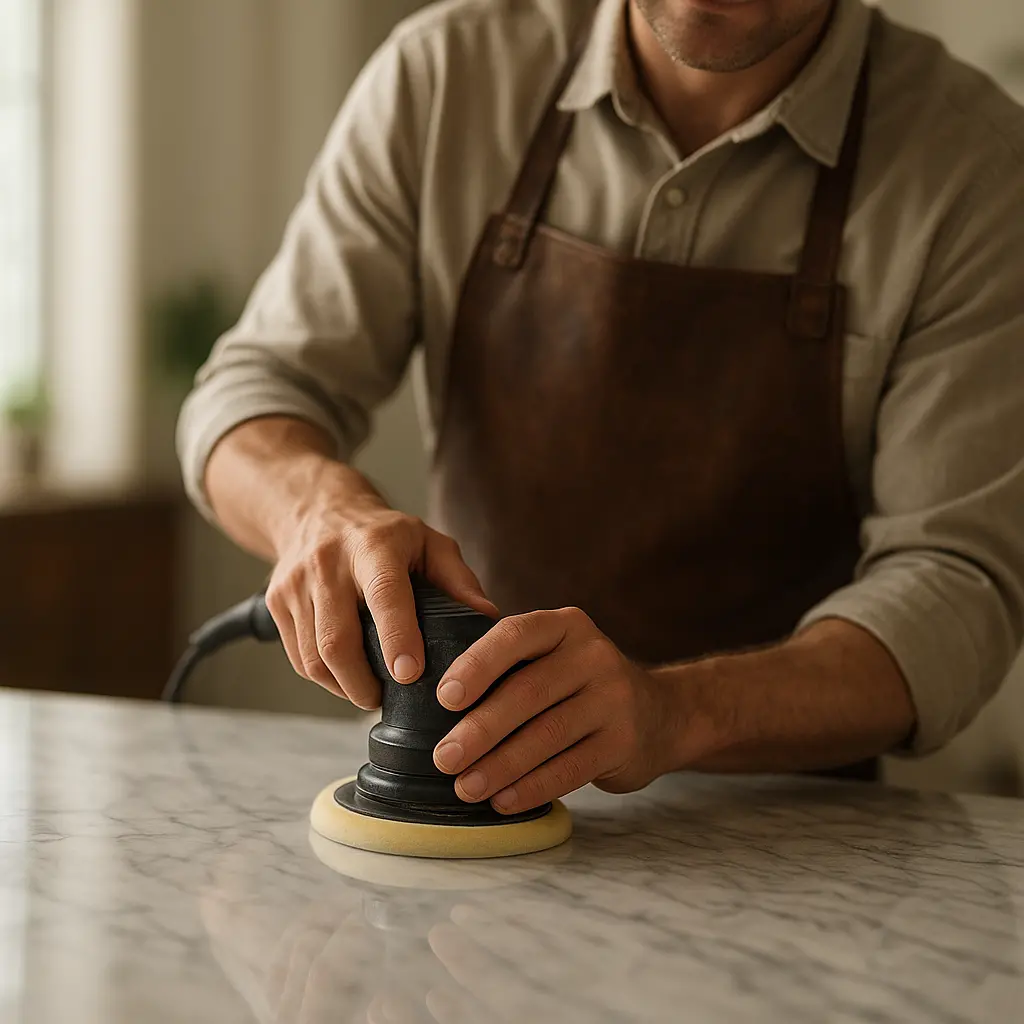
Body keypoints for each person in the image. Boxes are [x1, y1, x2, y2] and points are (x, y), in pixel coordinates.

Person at [178, 0, 1024, 813]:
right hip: (458, 803)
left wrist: (674, 712)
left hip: (791, 843)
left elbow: (955, 588)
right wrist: (317, 511)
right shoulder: (445, 78)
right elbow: (255, 394)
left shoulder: (974, 167)